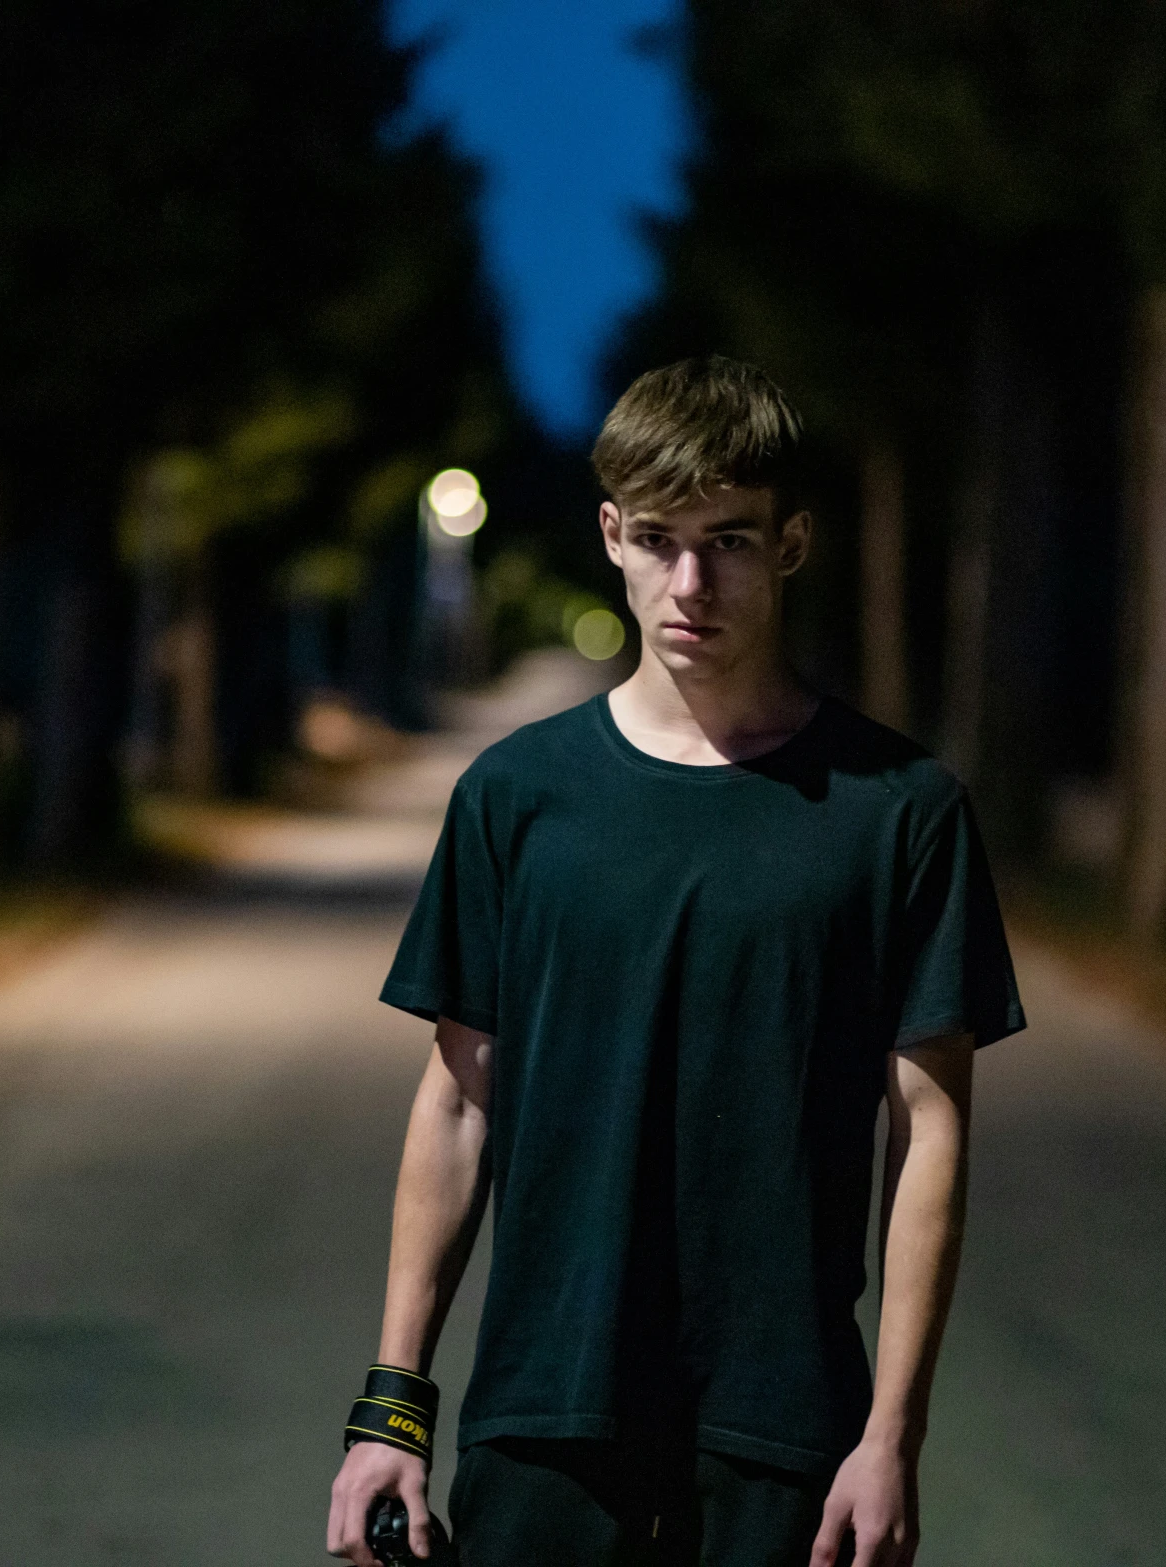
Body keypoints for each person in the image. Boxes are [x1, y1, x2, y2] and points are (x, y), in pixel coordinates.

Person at [326, 356, 1023, 1567]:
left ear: (793, 544)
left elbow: (928, 1136)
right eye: (658, 538)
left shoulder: (899, 812)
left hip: (784, 1435)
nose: (690, 582)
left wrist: (890, 1433)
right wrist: (393, 1405)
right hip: (543, 1416)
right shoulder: (518, 797)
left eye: (732, 541)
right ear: (611, 535)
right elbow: (455, 1100)